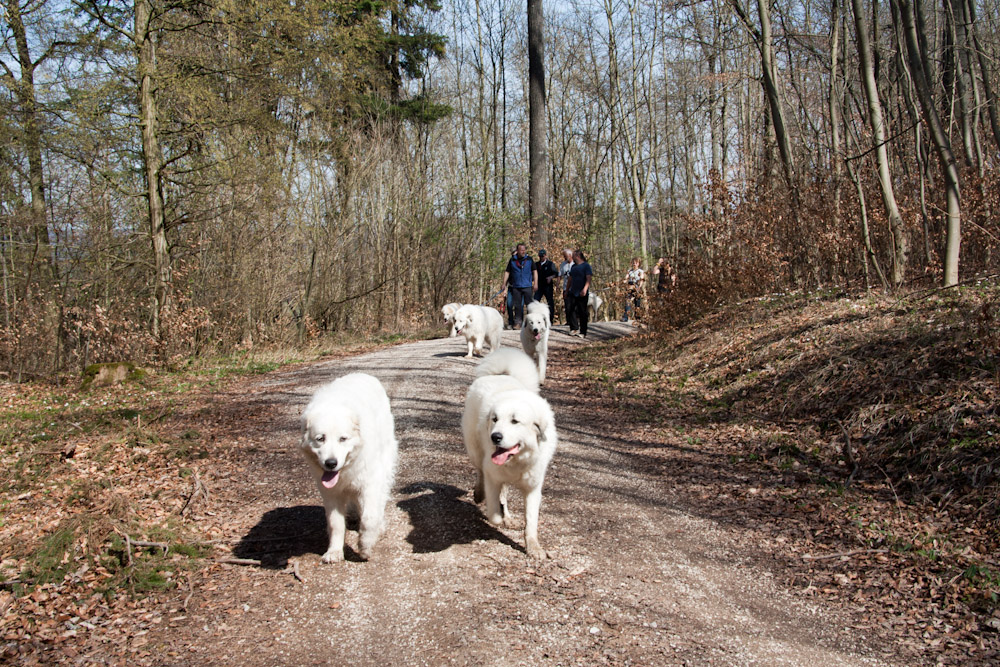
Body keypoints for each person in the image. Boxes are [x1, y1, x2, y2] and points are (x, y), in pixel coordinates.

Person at [501, 243, 537, 329]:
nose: (523, 251)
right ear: (518, 251)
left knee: (530, 305)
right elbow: (507, 272)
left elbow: (535, 271)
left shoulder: (529, 259)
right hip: (516, 286)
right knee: (517, 306)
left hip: (527, 285)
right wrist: (504, 283)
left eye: (524, 250)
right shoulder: (512, 260)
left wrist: (536, 283)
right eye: (521, 250)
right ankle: (518, 323)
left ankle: (530, 322)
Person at [567, 249, 593, 337]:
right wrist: (567, 290)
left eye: (573, 256)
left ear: (577, 256)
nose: (572, 257)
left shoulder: (586, 266)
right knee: (570, 309)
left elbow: (588, 278)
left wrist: (585, 289)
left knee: (582, 312)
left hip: (582, 292)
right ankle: (574, 328)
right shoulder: (573, 267)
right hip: (573, 292)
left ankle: (583, 331)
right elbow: (570, 279)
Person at [534, 248, 558, 324]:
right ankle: (535, 318)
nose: (541, 258)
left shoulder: (550, 264)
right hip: (539, 286)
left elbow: (556, 274)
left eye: (542, 256)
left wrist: (551, 277)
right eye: (540, 256)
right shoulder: (536, 264)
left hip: (547, 286)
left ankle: (550, 319)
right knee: (535, 301)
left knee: (550, 302)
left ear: (545, 256)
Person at [622, 257, 645, 323]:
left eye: (636, 263)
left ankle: (638, 317)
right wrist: (623, 281)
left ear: (638, 264)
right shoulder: (629, 271)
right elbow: (626, 278)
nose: (634, 264)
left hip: (637, 286)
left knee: (637, 303)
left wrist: (639, 287)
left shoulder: (640, 271)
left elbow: (641, 279)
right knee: (628, 301)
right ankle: (625, 317)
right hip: (630, 286)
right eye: (633, 262)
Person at [558, 248, 574, 327]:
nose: (564, 258)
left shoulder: (575, 264)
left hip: (574, 288)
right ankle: (568, 321)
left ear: (570, 255)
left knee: (573, 305)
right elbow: (560, 275)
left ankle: (575, 321)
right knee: (567, 305)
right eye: (564, 256)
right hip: (565, 287)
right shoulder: (563, 264)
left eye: (565, 256)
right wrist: (558, 284)